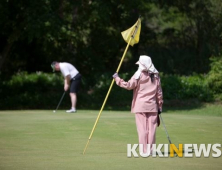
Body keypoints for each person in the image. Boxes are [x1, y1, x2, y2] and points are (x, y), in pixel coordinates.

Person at [112, 55, 163, 156]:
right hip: (153, 106)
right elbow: (159, 93)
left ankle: (144, 151)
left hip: (140, 106)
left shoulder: (138, 74)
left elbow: (128, 85)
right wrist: (160, 106)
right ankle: (151, 151)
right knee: (151, 130)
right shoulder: (156, 75)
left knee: (142, 129)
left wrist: (117, 79)